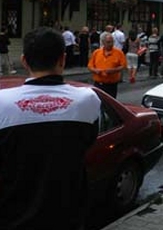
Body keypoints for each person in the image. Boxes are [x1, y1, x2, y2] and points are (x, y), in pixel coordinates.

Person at [0, 27, 101, 230]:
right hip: (67, 216)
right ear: (63, 59)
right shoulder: (87, 99)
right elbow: (88, 142)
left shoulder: (2, 102)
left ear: (24, 61)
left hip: (12, 217)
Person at [88, 32, 127, 98]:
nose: (111, 44)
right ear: (103, 42)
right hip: (98, 84)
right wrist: (95, 70)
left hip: (111, 85)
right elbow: (90, 66)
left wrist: (114, 70)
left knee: (109, 105)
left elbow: (123, 66)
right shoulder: (97, 52)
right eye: (108, 42)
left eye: (112, 42)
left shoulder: (119, 53)